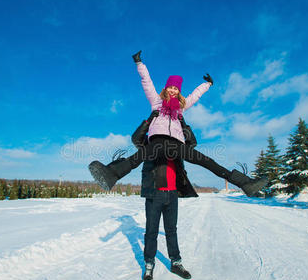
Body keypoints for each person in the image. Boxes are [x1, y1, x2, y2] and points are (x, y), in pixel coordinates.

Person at [89, 50, 267, 196]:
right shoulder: (156, 102)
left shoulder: (181, 107)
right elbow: (147, 82)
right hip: (157, 142)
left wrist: (208, 85)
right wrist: (139, 64)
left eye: (176, 88)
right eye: (171, 87)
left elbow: (194, 96)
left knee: (207, 161)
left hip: (176, 144)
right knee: (137, 157)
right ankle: (110, 174)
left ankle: (246, 183)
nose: (173, 90)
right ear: (166, 88)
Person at [131, 112, 196, 280]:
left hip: (172, 193)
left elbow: (193, 143)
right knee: (151, 231)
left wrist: (183, 122)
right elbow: (136, 139)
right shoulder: (150, 143)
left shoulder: (177, 145)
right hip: (154, 193)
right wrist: (150, 119)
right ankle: (149, 264)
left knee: (171, 230)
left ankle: (176, 262)